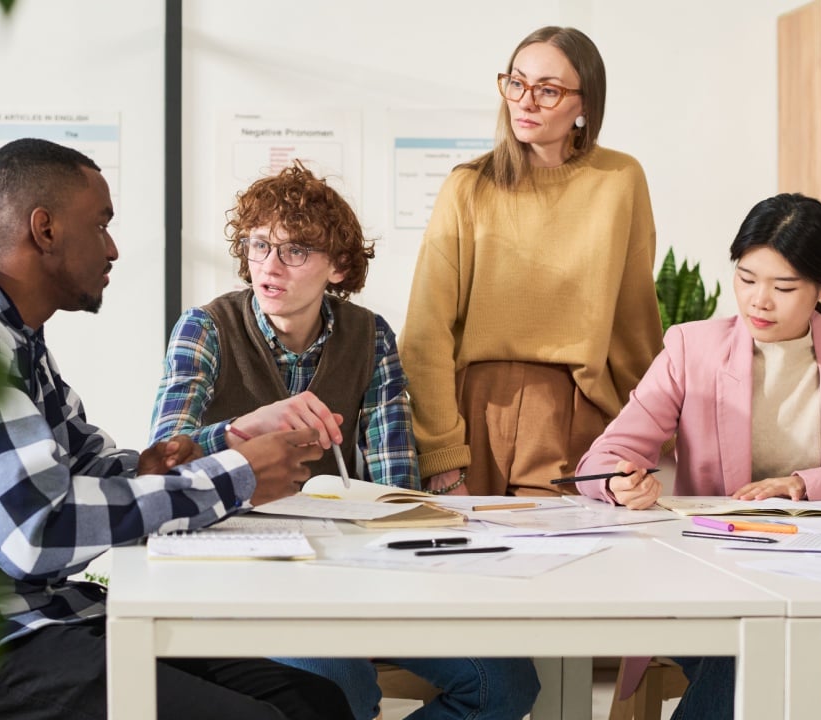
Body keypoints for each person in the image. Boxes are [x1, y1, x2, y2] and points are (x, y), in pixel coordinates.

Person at [0, 138, 352, 720]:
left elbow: (84, 464)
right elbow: (33, 531)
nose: (114, 248)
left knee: (314, 702)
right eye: (100, 225)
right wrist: (236, 478)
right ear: (44, 230)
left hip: (39, 615)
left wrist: (185, 458)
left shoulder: (10, 333)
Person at [148, 161, 539, 720]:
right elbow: (163, 457)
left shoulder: (369, 334)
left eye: (295, 251)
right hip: (242, 567)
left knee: (505, 684)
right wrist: (242, 429)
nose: (270, 265)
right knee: (340, 684)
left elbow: (394, 484)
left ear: (338, 267)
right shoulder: (205, 328)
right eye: (259, 246)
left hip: (350, 565)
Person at [577, 192, 821, 719]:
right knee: (755, 643)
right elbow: (608, 455)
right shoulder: (693, 348)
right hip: (708, 579)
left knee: (765, 639)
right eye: (746, 278)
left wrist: (808, 482)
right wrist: (618, 482)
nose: (758, 301)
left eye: (783, 287)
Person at [399, 26, 663, 498]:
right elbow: (425, 331)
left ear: (585, 105)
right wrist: (441, 454)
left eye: (548, 90)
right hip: (471, 413)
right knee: (462, 566)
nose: (525, 101)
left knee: (570, 566)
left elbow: (634, 322)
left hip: (575, 414)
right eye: (516, 83)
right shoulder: (467, 186)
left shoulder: (620, 179)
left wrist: (648, 441)